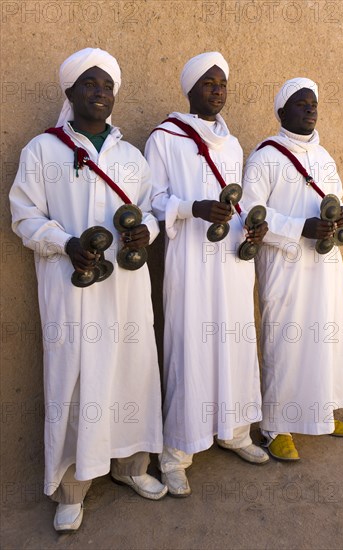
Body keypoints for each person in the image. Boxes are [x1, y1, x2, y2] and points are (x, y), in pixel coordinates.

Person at [9, 48, 166, 533]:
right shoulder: (42, 151)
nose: (100, 94)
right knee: (76, 383)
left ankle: (131, 467)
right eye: (90, 85)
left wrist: (149, 232)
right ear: (70, 92)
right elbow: (25, 216)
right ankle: (71, 489)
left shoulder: (130, 155)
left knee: (131, 373)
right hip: (71, 290)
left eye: (107, 86)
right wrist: (65, 242)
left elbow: (150, 209)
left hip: (126, 290)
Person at [145, 51, 269, 497]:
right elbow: (153, 198)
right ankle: (177, 451)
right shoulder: (164, 138)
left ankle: (235, 430)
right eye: (209, 83)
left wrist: (251, 227)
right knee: (190, 347)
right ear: (191, 89)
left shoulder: (232, 144)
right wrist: (190, 207)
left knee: (235, 342)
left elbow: (239, 200)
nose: (217, 91)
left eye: (222, 84)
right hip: (190, 262)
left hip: (231, 261)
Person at [242, 77, 343, 461]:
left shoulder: (324, 157)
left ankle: (320, 412)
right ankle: (276, 427)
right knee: (287, 342)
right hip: (285, 264)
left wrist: (339, 214)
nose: (310, 109)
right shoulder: (265, 157)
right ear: (281, 113)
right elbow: (250, 213)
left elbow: (335, 196)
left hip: (325, 263)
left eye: (314, 104)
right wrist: (299, 228)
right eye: (301, 104)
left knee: (326, 338)